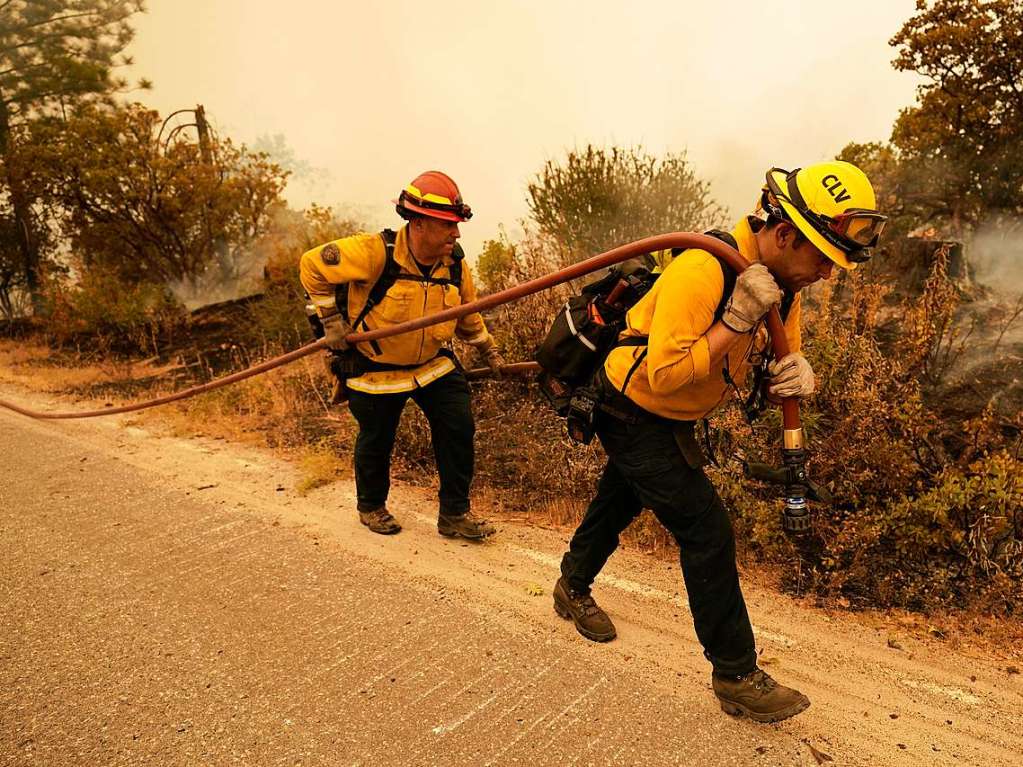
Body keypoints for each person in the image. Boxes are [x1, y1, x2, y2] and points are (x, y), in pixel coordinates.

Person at [553, 161, 886, 723]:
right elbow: (663, 374)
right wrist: (735, 319)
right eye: (824, 259)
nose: (828, 275)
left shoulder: (783, 284)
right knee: (706, 529)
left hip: (670, 413)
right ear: (783, 235)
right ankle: (735, 673)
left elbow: (784, 349)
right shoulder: (703, 271)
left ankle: (571, 584)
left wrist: (798, 371)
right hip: (629, 407)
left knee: (621, 498)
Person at [299, 171, 504, 539]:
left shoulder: (454, 263)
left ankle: (455, 515)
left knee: (458, 427)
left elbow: (465, 311)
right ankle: (371, 507)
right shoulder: (374, 252)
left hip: (431, 364)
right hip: (375, 369)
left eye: (457, 226)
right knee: (377, 438)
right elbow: (312, 265)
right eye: (448, 226)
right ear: (419, 223)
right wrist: (331, 320)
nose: (456, 234)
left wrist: (487, 348)